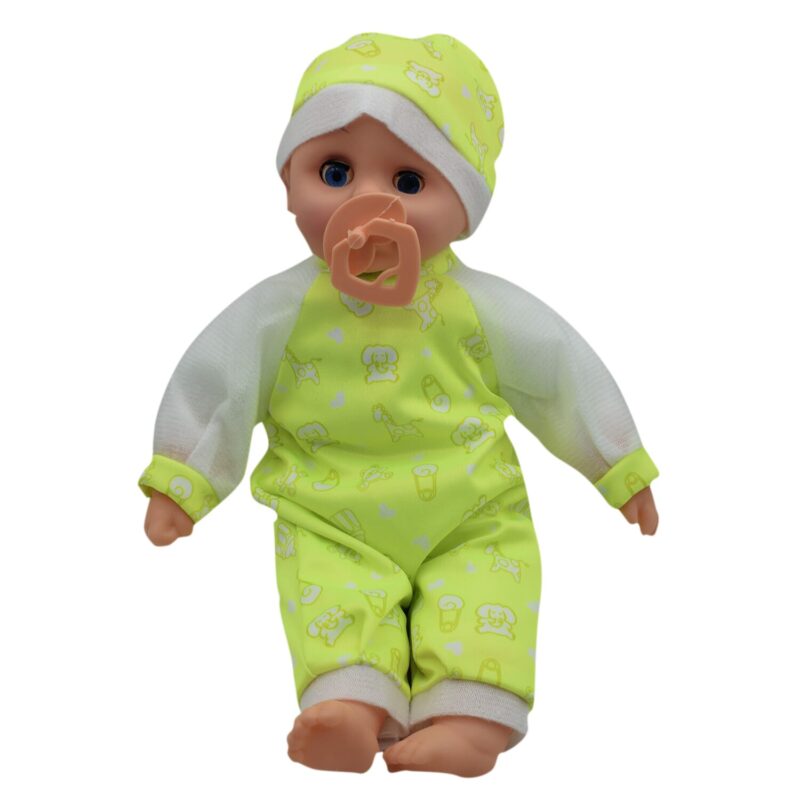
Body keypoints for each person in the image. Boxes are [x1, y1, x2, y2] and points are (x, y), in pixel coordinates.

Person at [140, 32, 659, 777]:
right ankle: (350, 709)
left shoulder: (483, 309)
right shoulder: (278, 312)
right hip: (327, 509)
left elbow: (561, 375)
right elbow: (217, 383)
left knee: (486, 584)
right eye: (336, 171)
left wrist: (617, 465)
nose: (366, 203)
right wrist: (183, 479)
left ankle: (470, 721)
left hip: (470, 509)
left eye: (410, 181)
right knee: (330, 596)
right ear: (288, 183)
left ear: (465, 209)